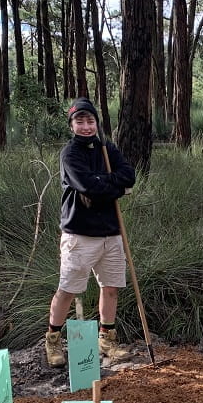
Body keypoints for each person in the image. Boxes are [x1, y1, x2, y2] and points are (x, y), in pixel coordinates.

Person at [44, 98, 136, 367]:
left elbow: (129, 175)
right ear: (72, 125)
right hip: (80, 235)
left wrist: (105, 184)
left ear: (97, 122)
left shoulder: (107, 148)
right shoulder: (70, 154)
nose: (86, 126)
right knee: (68, 289)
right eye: (80, 121)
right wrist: (114, 187)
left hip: (111, 233)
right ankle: (52, 341)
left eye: (90, 121)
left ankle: (106, 339)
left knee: (111, 289)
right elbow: (87, 185)